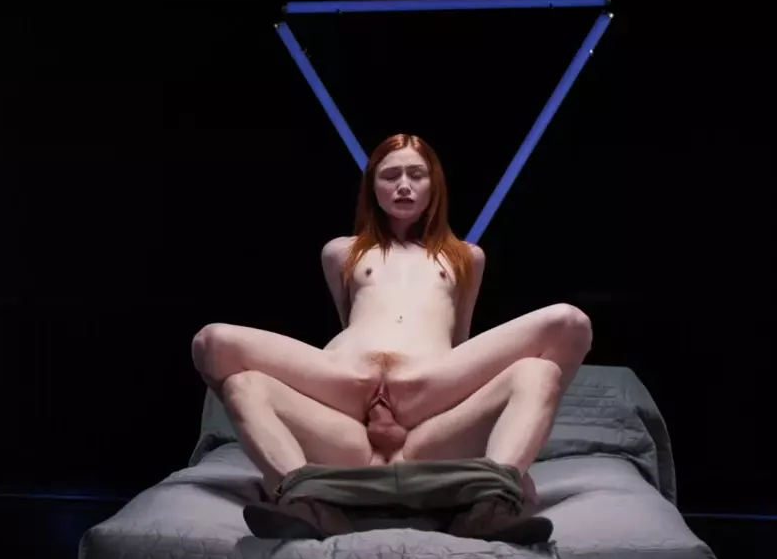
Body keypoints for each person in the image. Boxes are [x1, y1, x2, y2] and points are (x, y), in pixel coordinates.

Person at [191, 133, 592, 536]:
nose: (403, 185)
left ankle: (495, 496)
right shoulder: (341, 251)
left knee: (561, 335)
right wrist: (373, 413)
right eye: (390, 176)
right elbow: (351, 323)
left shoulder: (467, 256)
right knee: (219, 351)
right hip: (349, 388)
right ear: (373, 186)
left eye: (416, 175)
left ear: (434, 185)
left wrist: (450, 419)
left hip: (427, 392)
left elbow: (462, 342)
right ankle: (304, 499)